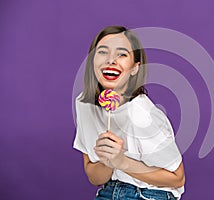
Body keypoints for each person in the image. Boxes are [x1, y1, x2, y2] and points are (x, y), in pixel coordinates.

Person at [73, 25, 185, 200]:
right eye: (102, 52)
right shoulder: (84, 106)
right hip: (109, 191)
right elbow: (94, 177)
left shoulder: (143, 114)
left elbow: (177, 179)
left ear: (134, 68)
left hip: (151, 194)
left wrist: (122, 162)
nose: (111, 60)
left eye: (122, 54)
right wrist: (108, 161)